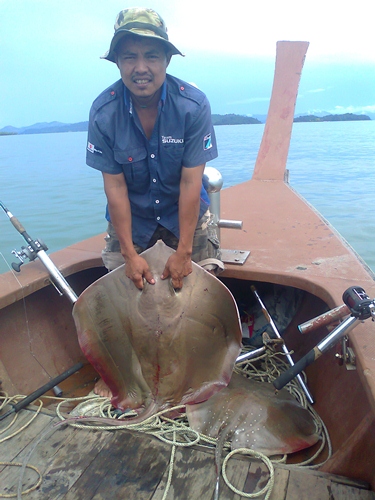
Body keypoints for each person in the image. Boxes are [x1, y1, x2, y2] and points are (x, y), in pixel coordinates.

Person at [86, 8, 220, 397]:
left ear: (166, 60)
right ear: (117, 62)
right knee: (120, 297)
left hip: (185, 214)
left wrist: (184, 250)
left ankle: (197, 370)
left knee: (198, 291)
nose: (140, 67)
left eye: (152, 56)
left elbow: (192, 181)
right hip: (134, 216)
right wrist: (128, 253)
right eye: (129, 56)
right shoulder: (104, 112)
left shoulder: (192, 106)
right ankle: (122, 374)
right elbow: (115, 190)